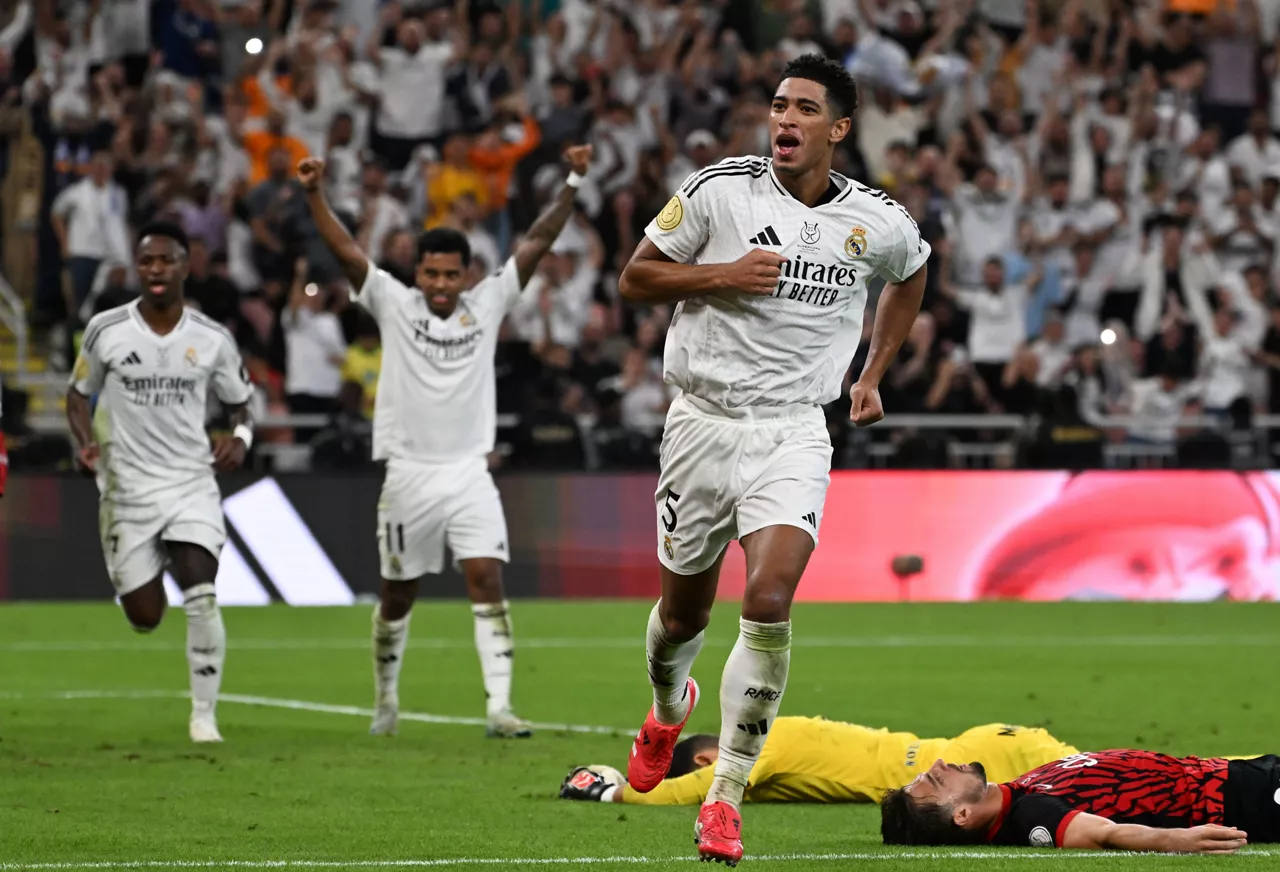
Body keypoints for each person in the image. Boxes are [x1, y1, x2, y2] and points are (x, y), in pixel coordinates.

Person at [616, 54, 929, 865]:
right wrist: (723, 273)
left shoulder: (875, 221)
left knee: (770, 595)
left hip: (794, 428)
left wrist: (872, 374)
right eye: (779, 106)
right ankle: (666, 705)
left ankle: (725, 796)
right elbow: (636, 277)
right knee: (682, 617)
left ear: (839, 130)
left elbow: (913, 271)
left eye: (804, 109)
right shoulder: (720, 189)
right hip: (701, 425)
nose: (784, 120)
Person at [297, 144, 594, 739]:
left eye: (449, 274)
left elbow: (534, 242)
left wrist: (572, 181)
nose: (438, 283)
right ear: (417, 274)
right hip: (408, 473)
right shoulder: (392, 302)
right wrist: (313, 195)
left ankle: (499, 708)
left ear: (466, 276)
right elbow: (346, 250)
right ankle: (385, 699)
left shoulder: (487, 304)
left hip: (467, 473)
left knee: (486, 577)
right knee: (397, 593)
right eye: (429, 273)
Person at [66, 221, 255, 744]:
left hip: (191, 480)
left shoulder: (212, 338)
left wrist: (239, 437)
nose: (155, 270)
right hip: (126, 489)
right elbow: (78, 394)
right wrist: (85, 443)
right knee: (146, 616)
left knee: (201, 590)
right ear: (137, 265)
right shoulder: (107, 330)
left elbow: (241, 402)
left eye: (166, 260)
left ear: (185, 266)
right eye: (146, 260)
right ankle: (146, 576)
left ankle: (203, 716)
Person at [559, 721, 1078, 806]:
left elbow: (709, 788)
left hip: (970, 763)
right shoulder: (778, 734)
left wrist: (614, 792)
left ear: (704, 757)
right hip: (973, 749)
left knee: (1114, 798)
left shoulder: (758, 745)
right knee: (1110, 784)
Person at [880, 750, 1277, 853]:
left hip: (1241, 774)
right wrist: (1176, 840)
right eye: (936, 779)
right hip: (1246, 799)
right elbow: (1106, 834)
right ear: (962, 814)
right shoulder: (1030, 815)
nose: (938, 763)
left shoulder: (1018, 789)